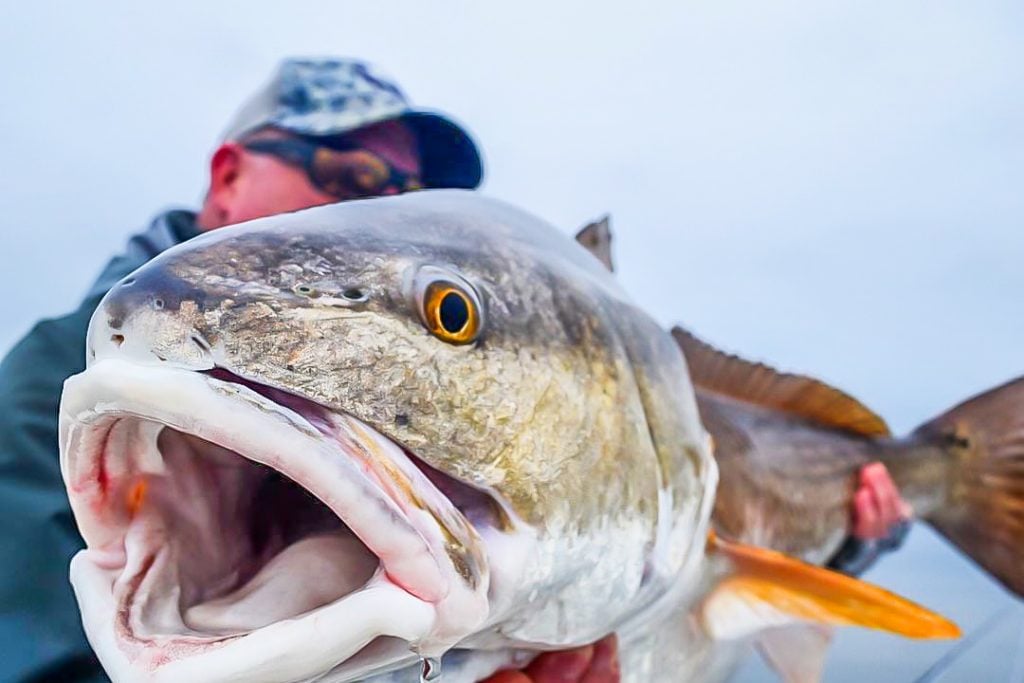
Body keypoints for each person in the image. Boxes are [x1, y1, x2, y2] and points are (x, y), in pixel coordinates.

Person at [0, 57, 617, 683]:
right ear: (229, 177)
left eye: (411, 196)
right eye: (355, 174)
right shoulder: (39, 389)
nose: (387, 208)